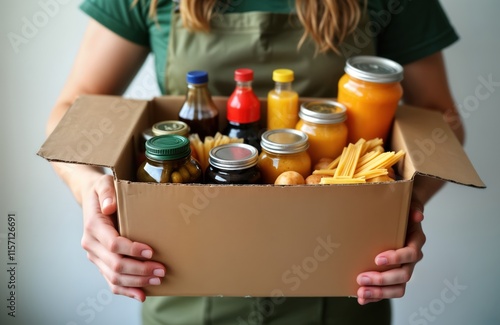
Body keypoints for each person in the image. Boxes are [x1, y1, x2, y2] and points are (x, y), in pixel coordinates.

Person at [45, 0, 463, 324]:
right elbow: (73, 108)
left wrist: (402, 206)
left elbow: (440, 118)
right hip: (183, 287)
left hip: (342, 286)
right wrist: (90, 193)